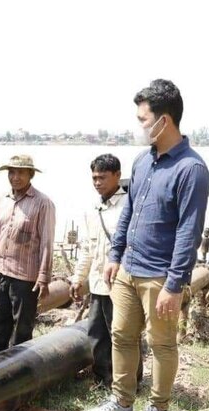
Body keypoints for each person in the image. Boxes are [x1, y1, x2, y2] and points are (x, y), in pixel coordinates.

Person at [84, 79, 209, 411]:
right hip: (129, 268)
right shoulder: (143, 162)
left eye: (143, 119)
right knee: (121, 335)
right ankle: (122, 400)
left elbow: (188, 231)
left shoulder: (191, 169)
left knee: (161, 344)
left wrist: (174, 283)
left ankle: (159, 408)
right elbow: (128, 212)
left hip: (159, 276)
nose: (139, 126)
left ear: (163, 121)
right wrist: (115, 255)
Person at [71, 154, 142, 387]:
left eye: (102, 177)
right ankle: (103, 379)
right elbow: (87, 248)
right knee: (97, 333)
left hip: (122, 283)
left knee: (123, 335)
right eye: (94, 178)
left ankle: (130, 382)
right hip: (98, 283)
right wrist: (78, 278)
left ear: (117, 176)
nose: (97, 182)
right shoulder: (93, 209)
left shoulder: (129, 206)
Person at [0, 155, 55, 356]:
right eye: (11, 172)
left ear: (31, 175)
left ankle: (19, 368)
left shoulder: (43, 203)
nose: (15, 177)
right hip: (1, 272)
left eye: (21, 172)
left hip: (25, 278)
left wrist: (43, 277)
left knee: (22, 328)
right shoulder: (1, 200)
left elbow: (47, 243)